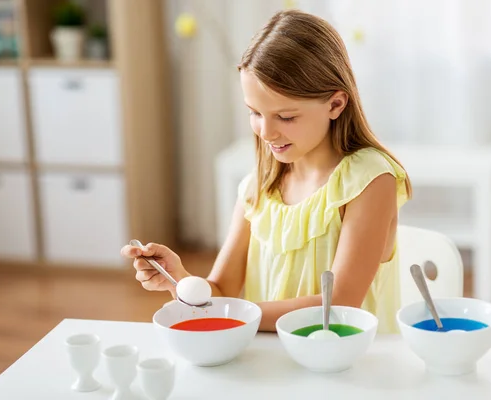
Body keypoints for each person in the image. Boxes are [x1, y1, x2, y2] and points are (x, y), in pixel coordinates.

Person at [121, 9, 412, 333]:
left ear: (335, 104)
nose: (266, 131)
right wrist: (180, 281)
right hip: (273, 366)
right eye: (255, 112)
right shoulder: (258, 188)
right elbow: (220, 290)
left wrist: (237, 314)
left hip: (348, 369)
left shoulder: (369, 180)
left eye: (285, 117)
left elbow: (340, 304)